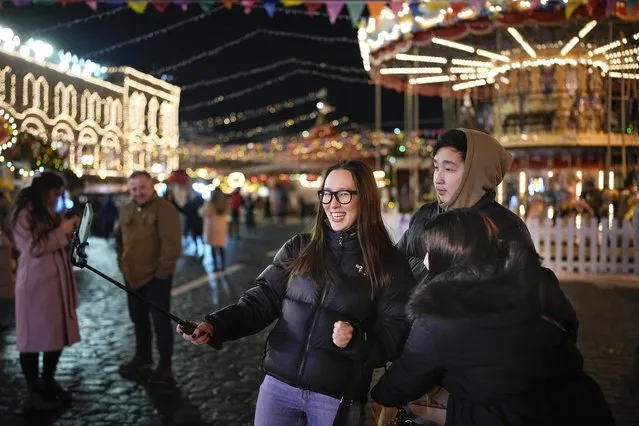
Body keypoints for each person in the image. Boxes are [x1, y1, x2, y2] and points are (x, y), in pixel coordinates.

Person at [177, 160, 414, 426]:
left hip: (335, 398)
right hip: (278, 388)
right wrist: (215, 325)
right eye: (327, 194)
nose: (333, 203)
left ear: (366, 199)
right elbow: (260, 302)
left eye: (344, 194)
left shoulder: (388, 263)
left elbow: (394, 334)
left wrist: (357, 340)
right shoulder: (299, 247)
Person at [372, 209, 615, 426]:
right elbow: (569, 327)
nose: (425, 259)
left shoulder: (439, 313)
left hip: (508, 415)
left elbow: (408, 375)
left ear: (446, 255)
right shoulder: (538, 279)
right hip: (581, 402)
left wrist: (379, 395)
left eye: (429, 251)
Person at [397, 128, 578, 338]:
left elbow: (515, 300)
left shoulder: (505, 228)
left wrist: (432, 271)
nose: (438, 178)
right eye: (436, 167)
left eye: (449, 169)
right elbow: (393, 264)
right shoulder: (426, 216)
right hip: (416, 345)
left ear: (476, 172)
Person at [11, 172, 80, 410]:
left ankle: (48, 380)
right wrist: (62, 230)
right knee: (32, 339)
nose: (57, 198)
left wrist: (68, 232)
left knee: (55, 335)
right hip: (36, 284)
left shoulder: (46, 210)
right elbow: (34, 246)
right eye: (55, 193)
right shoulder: (25, 213)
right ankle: (34, 389)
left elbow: (53, 241)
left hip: (55, 282)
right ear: (45, 190)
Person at [115, 171, 181, 384]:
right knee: (138, 319)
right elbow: (119, 239)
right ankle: (143, 358)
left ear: (152, 186)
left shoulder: (165, 209)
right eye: (134, 188)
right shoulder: (126, 209)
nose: (138, 192)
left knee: (160, 321)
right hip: (131, 275)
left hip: (156, 276)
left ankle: (165, 365)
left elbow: (170, 244)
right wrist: (122, 264)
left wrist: (162, 273)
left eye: (142, 187)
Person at [200, 188, 229, 272]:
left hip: (212, 227)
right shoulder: (224, 202)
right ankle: (223, 266)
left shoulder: (211, 203)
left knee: (213, 248)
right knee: (221, 248)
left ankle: (216, 266)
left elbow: (204, 213)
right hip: (222, 227)